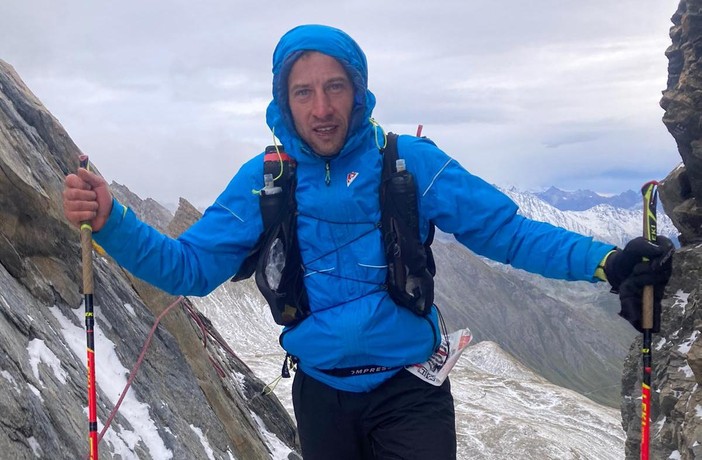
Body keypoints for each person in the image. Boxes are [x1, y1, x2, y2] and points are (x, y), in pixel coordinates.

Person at [63, 24, 674, 460]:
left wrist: (606, 261)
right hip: (321, 395)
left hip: (411, 390)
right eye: (304, 91)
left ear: (359, 91)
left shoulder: (408, 164)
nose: (322, 107)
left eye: (335, 87)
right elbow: (189, 269)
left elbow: (506, 232)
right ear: (283, 101)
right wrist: (114, 218)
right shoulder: (267, 181)